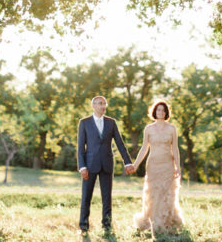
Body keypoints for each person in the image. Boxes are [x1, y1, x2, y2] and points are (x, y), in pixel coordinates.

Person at [77, 95, 133, 234]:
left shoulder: (111, 122)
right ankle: (83, 226)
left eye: (104, 104)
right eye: (100, 103)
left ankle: (107, 225)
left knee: (107, 197)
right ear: (93, 105)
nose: (103, 106)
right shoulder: (84, 122)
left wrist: (127, 162)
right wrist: (82, 166)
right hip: (89, 165)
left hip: (107, 164)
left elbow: (120, 144)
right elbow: (80, 147)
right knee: (86, 197)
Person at [129, 98, 184, 232]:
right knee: (153, 193)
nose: (161, 112)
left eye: (163, 110)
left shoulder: (172, 129)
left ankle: (166, 222)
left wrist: (178, 166)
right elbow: (144, 148)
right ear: (155, 111)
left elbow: (175, 149)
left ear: (166, 113)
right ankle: (151, 221)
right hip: (153, 164)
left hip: (167, 165)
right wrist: (135, 165)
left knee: (166, 193)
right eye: (158, 109)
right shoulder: (149, 128)